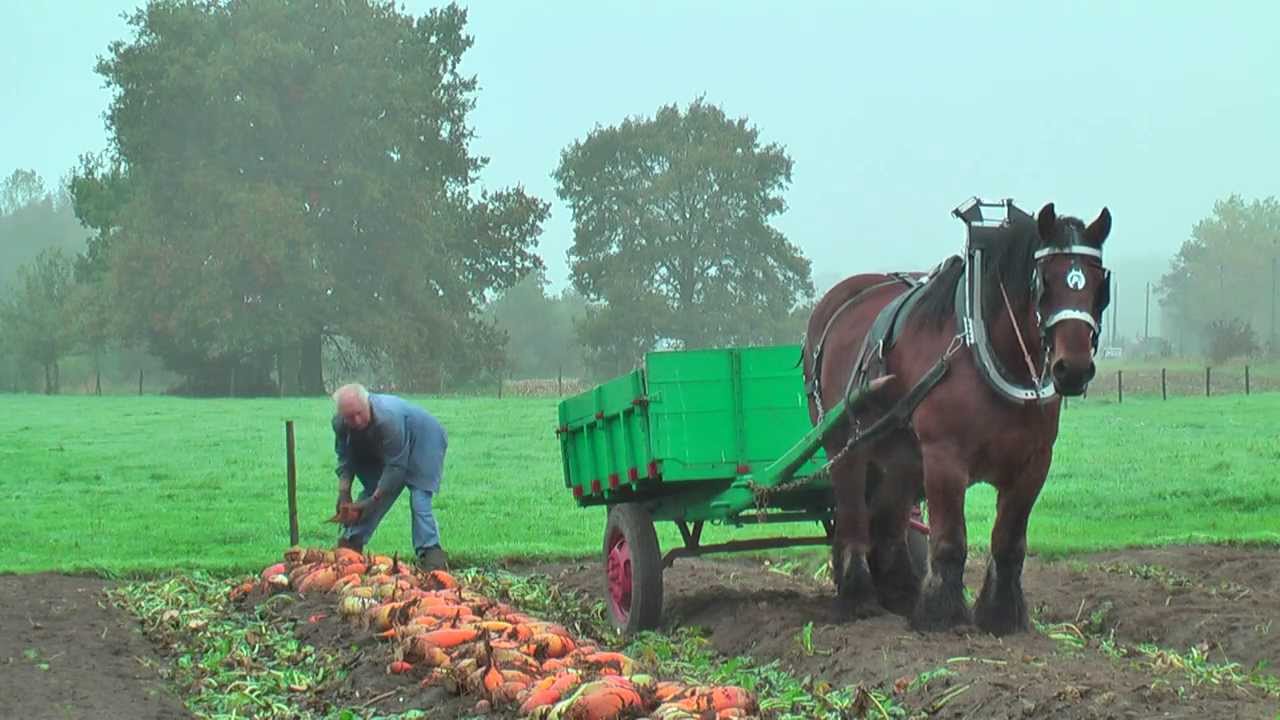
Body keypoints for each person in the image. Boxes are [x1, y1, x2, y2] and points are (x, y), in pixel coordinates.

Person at [330, 383, 449, 571]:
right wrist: (343, 493)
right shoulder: (340, 424)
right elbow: (346, 457)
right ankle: (351, 543)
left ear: (368, 404)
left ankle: (431, 555)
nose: (356, 420)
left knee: (419, 499)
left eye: (359, 413)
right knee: (372, 488)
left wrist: (373, 500)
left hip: (425, 439)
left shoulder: (387, 419)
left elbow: (396, 469)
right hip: (385, 443)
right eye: (349, 417)